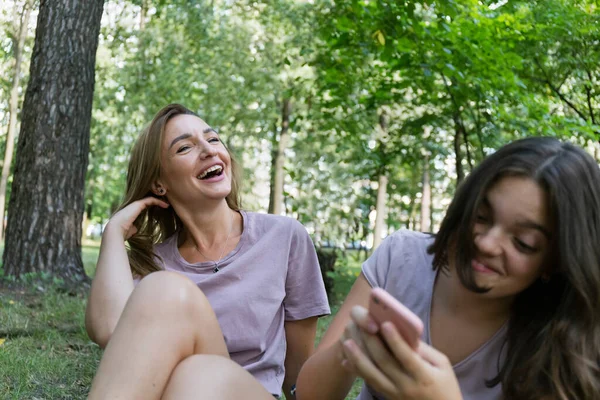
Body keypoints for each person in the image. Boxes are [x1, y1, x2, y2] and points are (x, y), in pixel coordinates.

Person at [297, 137, 600, 400]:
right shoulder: (403, 257)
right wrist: (350, 347)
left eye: (523, 242)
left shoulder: (563, 342)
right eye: (481, 216)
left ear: (556, 262)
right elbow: (310, 394)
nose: (487, 243)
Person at [85, 104, 330, 399]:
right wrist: (113, 233)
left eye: (213, 139)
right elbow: (109, 331)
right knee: (177, 330)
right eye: (185, 147)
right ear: (158, 184)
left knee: (199, 372)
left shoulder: (284, 237)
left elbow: (297, 375)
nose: (209, 150)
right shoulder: (152, 268)